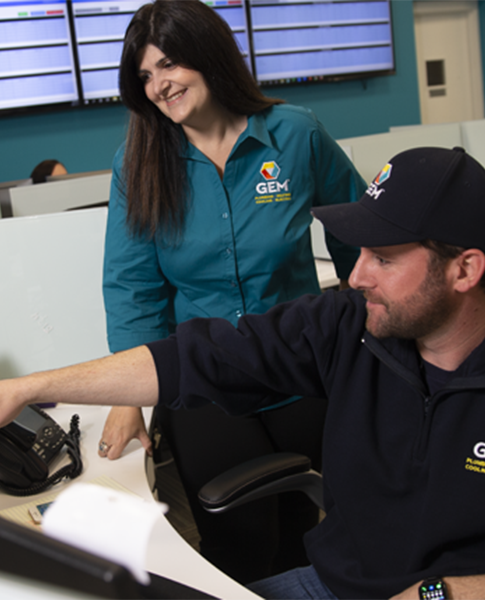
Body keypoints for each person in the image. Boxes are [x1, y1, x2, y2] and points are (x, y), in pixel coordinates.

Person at [0, 146, 485, 600]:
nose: (356, 277)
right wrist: (30, 387)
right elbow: (197, 358)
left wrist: (443, 595)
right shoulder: (351, 325)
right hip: (339, 585)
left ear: (464, 269)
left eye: (384, 259)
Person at [98, 0, 364, 583]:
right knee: (240, 543)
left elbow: (358, 233)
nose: (159, 85)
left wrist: (376, 323)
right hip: (205, 380)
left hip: (304, 366)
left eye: (168, 64)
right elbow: (133, 287)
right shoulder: (140, 162)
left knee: (316, 530)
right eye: (144, 75)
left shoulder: (295, 133)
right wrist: (129, 396)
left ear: (208, 55)